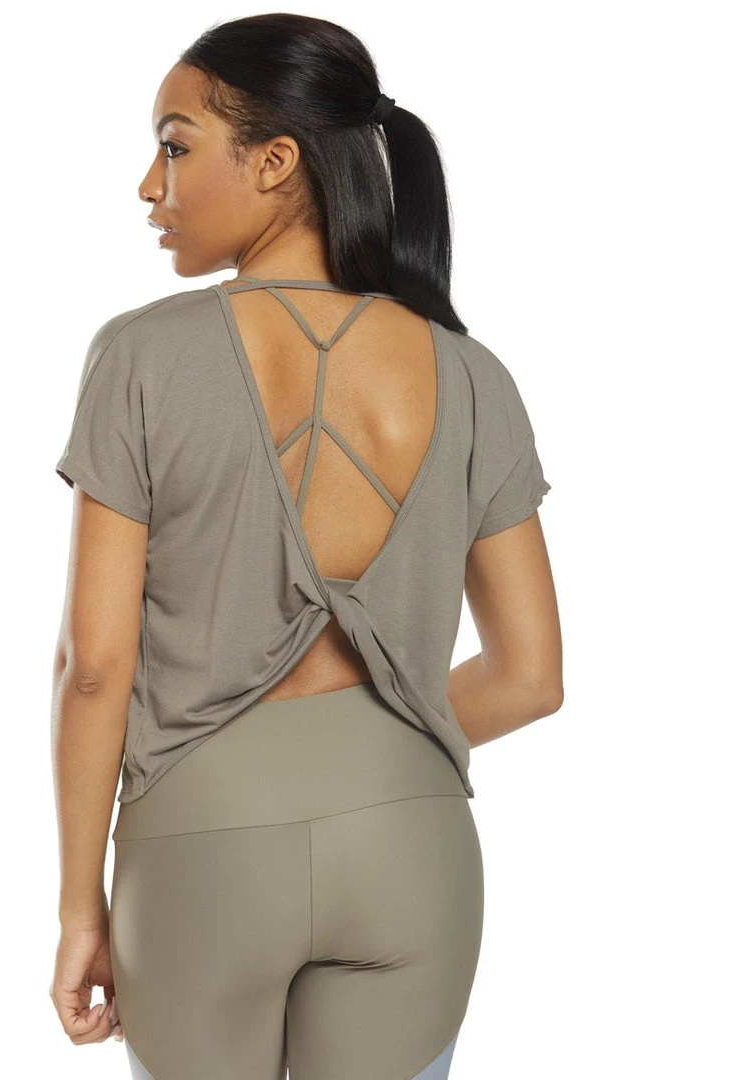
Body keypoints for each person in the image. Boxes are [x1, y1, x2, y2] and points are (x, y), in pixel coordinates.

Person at [49, 13, 562, 1080]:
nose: (149, 185)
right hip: (413, 846)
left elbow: (95, 668)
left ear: (275, 161)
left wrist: (79, 908)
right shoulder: (474, 377)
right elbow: (529, 679)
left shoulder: (142, 356)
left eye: (175, 146)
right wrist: (377, 749)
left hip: (201, 843)